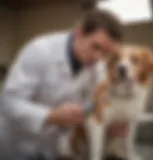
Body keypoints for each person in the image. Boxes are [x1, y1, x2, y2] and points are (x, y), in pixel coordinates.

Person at [0, 10, 123, 160]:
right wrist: (51, 115)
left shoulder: (96, 66)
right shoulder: (40, 51)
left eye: (105, 53)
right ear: (79, 33)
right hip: (18, 143)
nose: (98, 58)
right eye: (95, 47)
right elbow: (9, 103)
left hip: (50, 146)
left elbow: (91, 102)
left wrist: (102, 117)